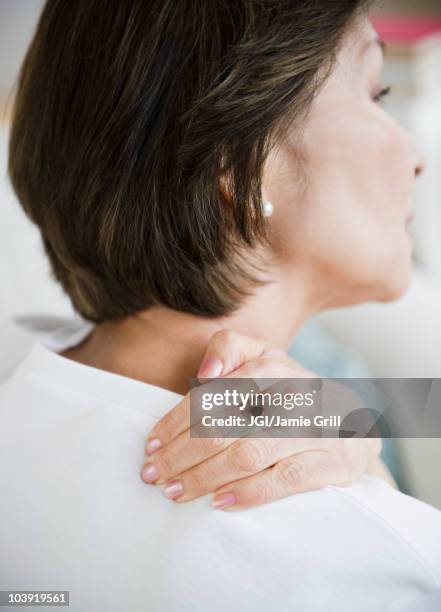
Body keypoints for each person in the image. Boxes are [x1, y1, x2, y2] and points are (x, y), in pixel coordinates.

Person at [1, 1, 440, 610]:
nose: (418, 157)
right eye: (377, 92)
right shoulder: (376, 569)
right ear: (241, 162)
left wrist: (365, 464)